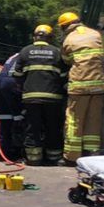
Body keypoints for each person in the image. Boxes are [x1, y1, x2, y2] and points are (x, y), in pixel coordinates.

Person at [12, 25, 67, 166]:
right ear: (50, 37)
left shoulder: (25, 52)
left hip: (31, 98)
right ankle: (54, 158)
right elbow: (63, 76)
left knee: (32, 128)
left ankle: (33, 159)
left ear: (34, 36)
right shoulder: (56, 52)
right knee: (53, 128)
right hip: (53, 98)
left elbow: (17, 75)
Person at [58, 12, 104, 163]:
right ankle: (91, 153)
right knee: (94, 120)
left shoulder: (69, 39)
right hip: (99, 86)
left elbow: (66, 60)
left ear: (65, 26)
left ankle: (71, 157)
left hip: (79, 87)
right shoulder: (95, 34)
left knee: (74, 121)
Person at [0, 53, 23, 159]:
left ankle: (3, 152)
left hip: (0, 82)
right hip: (12, 82)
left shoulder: (15, 55)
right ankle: (18, 150)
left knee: (4, 118)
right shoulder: (28, 54)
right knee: (18, 117)